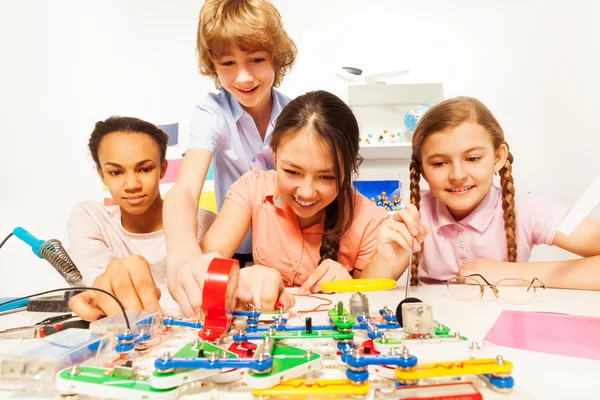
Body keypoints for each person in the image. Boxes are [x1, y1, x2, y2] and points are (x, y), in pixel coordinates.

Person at [67, 116, 292, 321]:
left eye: (144, 169)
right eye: (116, 172)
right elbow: (97, 277)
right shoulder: (90, 217)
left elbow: (217, 293)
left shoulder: (204, 222)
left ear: (163, 169)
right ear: (101, 174)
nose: (132, 184)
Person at [201, 90, 410, 295]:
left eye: (327, 177)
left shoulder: (369, 220)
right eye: (292, 172)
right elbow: (202, 268)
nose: (307, 193)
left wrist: (352, 284)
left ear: (348, 169)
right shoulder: (253, 188)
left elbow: (372, 308)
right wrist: (245, 277)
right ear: (274, 154)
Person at [164, 0, 297, 317]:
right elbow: (184, 190)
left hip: (288, 250)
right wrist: (182, 255)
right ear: (213, 65)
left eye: (256, 59)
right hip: (233, 249)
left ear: (277, 59)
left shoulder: (295, 114)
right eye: (227, 63)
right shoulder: (213, 112)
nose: (244, 77)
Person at [389, 96, 600, 290]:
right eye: (440, 163)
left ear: (498, 158)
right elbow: (371, 289)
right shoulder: (415, 214)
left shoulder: (526, 209)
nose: (457, 175)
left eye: (472, 158)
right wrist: (386, 257)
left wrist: (513, 273)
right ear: (423, 170)